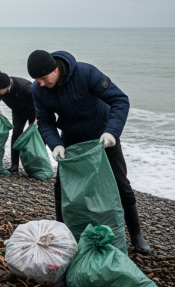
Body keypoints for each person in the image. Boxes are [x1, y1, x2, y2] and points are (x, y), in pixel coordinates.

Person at [28, 49, 150, 254]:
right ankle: (63, 233)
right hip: (71, 138)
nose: (40, 83)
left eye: (43, 78)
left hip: (102, 136)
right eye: (36, 79)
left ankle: (136, 235)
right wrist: (56, 144)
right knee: (62, 187)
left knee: (121, 184)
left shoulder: (86, 73)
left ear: (56, 69)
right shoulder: (38, 90)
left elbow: (120, 100)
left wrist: (111, 132)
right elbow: (46, 122)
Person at [0, 72, 35, 173]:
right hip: (18, 113)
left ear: (7, 86)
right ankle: (14, 165)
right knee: (16, 136)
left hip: (33, 112)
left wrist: (40, 117)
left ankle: (35, 166)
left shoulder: (26, 87)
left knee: (35, 138)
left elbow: (40, 100)